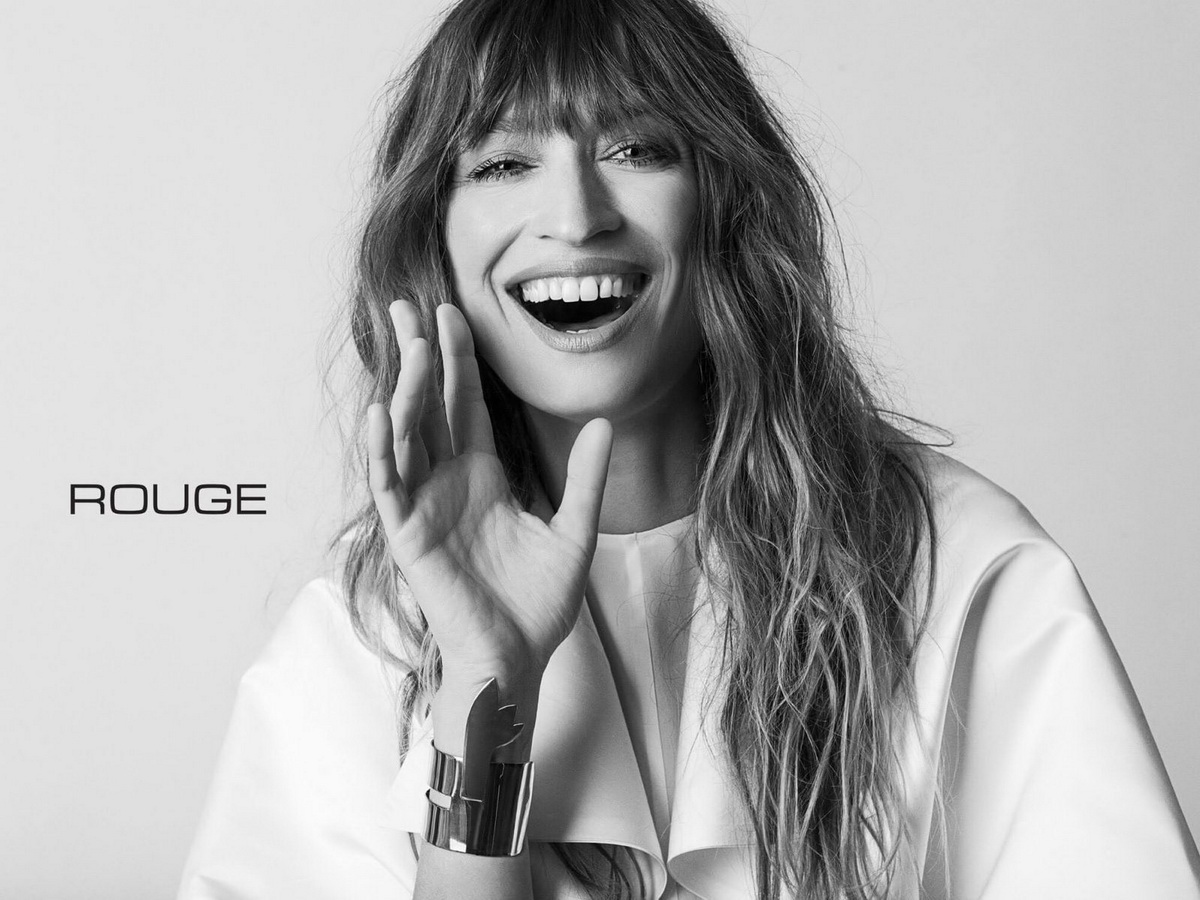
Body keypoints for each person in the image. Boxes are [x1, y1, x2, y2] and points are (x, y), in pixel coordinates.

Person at [177, 0, 1200, 897]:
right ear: (433, 238)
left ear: (726, 200)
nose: (576, 217)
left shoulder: (960, 564)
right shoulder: (367, 628)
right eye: (503, 163)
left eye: (636, 149)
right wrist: (488, 684)